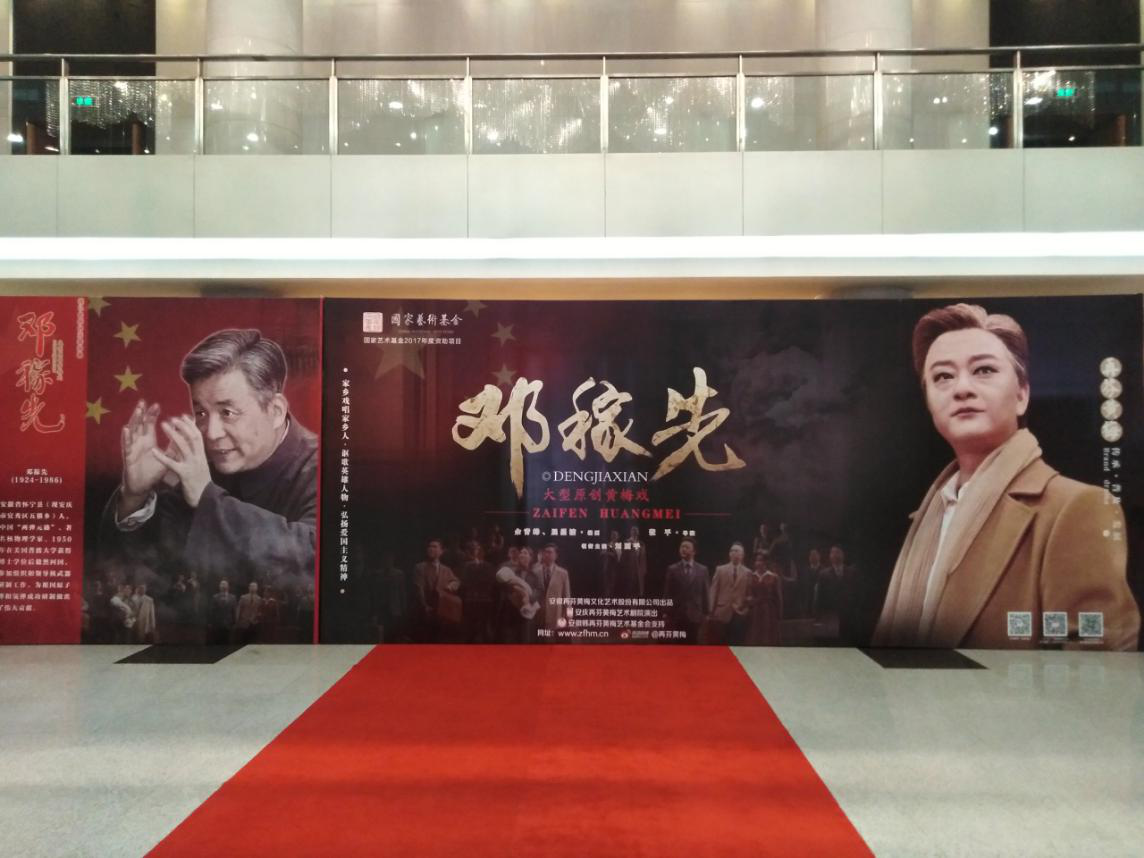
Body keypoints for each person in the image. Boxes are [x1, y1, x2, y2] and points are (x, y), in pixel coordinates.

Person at [874, 303, 1140, 650]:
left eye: (983, 370)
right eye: (942, 376)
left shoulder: (1076, 507)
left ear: (1021, 395)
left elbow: (1097, 665)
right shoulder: (929, 514)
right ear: (928, 402)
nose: (961, 389)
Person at [98, 329, 318, 642]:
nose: (211, 432)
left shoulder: (321, 464)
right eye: (201, 412)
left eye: (228, 412)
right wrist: (135, 495)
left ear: (275, 411)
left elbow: (312, 557)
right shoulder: (201, 461)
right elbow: (144, 564)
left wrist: (207, 498)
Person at [663, 537, 709, 643]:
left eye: (687, 547)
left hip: (695, 614)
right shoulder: (672, 569)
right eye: (682, 547)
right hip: (677, 614)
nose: (683, 549)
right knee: (677, 644)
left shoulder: (703, 570)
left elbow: (705, 593)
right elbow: (667, 592)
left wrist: (706, 613)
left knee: (693, 644)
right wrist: (665, 611)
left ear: (694, 551)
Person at [413, 538, 460, 641]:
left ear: (441, 551)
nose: (431, 549)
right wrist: (424, 606)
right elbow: (418, 588)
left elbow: (456, 581)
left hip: (442, 614)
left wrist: (450, 586)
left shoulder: (446, 569)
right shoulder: (420, 567)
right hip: (426, 611)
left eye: (434, 547)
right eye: (429, 546)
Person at [708, 542, 751, 645]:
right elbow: (713, 591)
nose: (733, 553)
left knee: (736, 643)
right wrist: (710, 611)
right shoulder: (720, 570)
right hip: (721, 611)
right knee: (720, 643)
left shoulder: (748, 572)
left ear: (742, 555)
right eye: (731, 551)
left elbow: (749, 593)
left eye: (737, 551)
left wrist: (746, 610)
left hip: (739, 612)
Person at [532, 543, 572, 633]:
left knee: (556, 638)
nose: (547, 554)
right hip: (539, 613)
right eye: (545, 552)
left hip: (556, 613)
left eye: (550, 552)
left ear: (556, 556)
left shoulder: (563, 573)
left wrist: (569, 616)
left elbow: (567, 596)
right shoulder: (535, 572)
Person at [747, 553, 783, 646]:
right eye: (756, 560)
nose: (757, 563)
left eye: (760, 560)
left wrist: (779, 614)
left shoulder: (773, 577)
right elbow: (749, 594)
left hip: (769, 611)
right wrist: (750, 600)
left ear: (766, 562)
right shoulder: (751, 576)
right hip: (755, 611)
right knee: (755, 636)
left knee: (768, 636)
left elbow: (778, 597)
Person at [209, 578, 237, 644]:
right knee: (217, 643)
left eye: (225, 584)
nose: (223, 585)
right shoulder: (215, 597)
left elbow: (234, 611)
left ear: (228, 586)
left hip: (229, 625)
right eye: (222, 584)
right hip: (217, 625)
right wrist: (211, 623)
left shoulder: (233, 597)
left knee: (227, 643)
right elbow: (212, 611)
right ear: (219, 586)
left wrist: (234, 623)